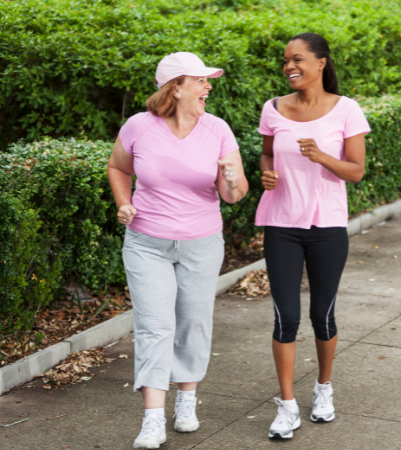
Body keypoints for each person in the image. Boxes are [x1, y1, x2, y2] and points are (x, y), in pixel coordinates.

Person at [107, 52, 248, 449]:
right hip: (146, 242)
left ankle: (186, 400)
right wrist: (123, 202)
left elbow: (234, 196)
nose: (208, 86)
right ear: (176, 87)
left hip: (201, 243)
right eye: (200, 80)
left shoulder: (218, 130)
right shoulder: (139, 126)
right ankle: (153, 419)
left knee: (193, 322)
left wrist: (232, 178)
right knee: (154, 325)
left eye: (207, 80)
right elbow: (118, 168)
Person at [255, 32, 371, 439]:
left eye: (298, 59)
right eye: (286, 60)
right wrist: (267, 173)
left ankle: (323, 389)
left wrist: (322, 156)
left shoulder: (347, 110)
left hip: (327, 227)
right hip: (282, 224)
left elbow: (356, 172)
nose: (289, 66)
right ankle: (287, 406)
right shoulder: (273, 109)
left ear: (321, 63)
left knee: (322, 314)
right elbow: (267, 152)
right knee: (285, 317)